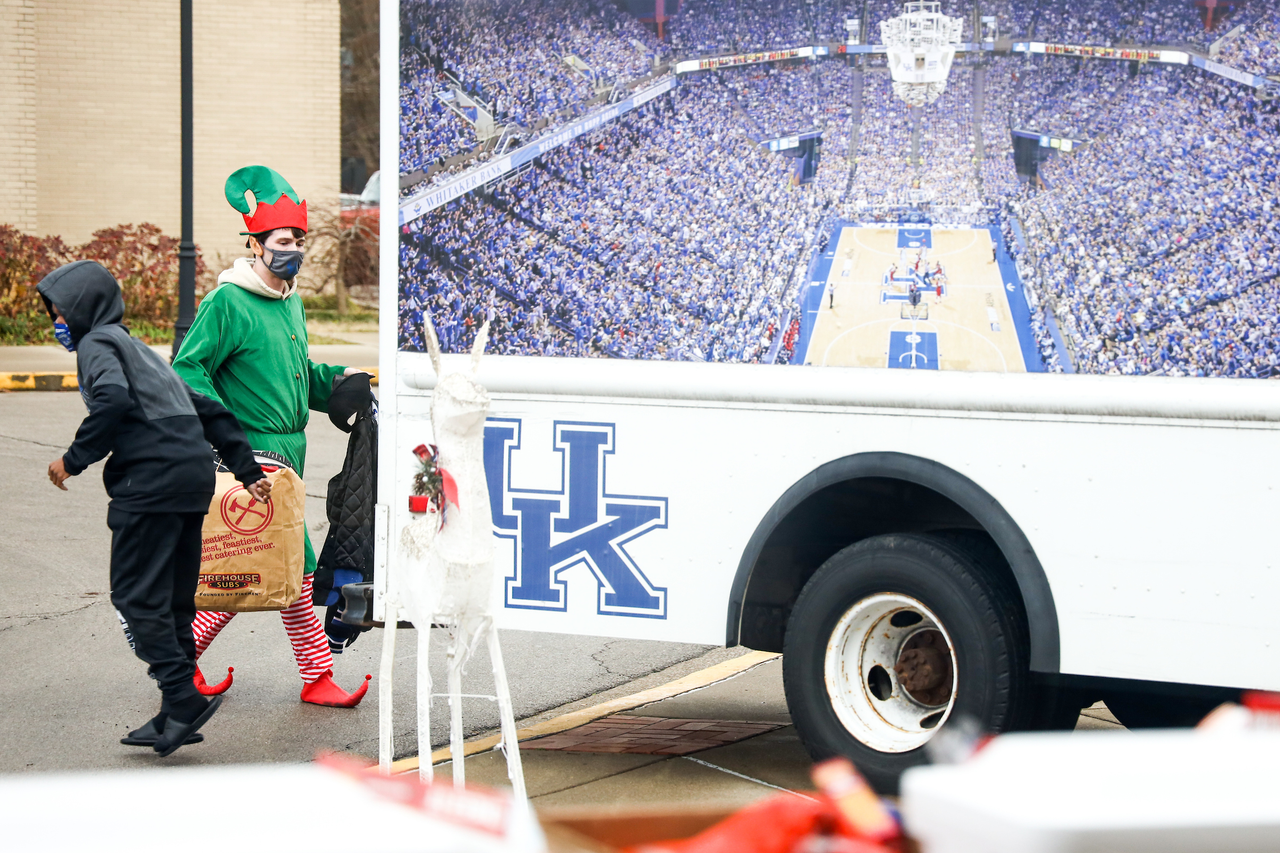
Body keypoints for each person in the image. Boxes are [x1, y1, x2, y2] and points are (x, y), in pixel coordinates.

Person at [38, 260, 271, 756]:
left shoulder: (98, 344)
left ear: (83, 308)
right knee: (172, 600)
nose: (56, 320)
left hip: (152, 482)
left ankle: (182, 699)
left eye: (61, 310)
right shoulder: (139, 349)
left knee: (137, 597)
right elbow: (207, 408)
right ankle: (174, 711)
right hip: (190, 479)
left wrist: (73, 460)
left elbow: (112, 401)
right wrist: (246, 471)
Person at [172, 166, 370, 708]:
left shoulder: (290, 301)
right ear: (255, 244)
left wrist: (342, 385)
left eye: (298, 240)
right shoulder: (228, 303)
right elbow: (188, 369)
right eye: (283, 241)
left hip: (290, 450)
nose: (294, 250)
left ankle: (179, 660)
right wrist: (224, 432)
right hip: (252, 455)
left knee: (265, 567)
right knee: (282, 565)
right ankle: (313, 678)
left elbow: (296, 372)